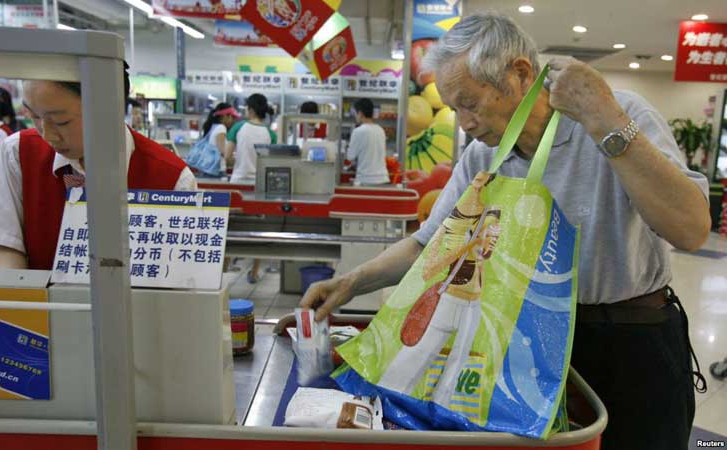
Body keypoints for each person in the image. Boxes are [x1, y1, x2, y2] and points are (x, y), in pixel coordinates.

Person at [301, 13, 710, 450]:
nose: (463, 123)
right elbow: (429, 244)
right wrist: (351, 282)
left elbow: (691, 229)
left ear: (518, 75)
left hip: (631, 341)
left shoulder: (619, 114)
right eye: (454, 108)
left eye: (469, 104)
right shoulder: (484, 157)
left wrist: (604, 119)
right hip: (530, 352)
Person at [0, 66, 197, 270]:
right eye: (34, 116)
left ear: (110, 110)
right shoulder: (19, 153)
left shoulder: (172, 179)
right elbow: (4, 246)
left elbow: (178, 273)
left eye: (61, 121)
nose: (47, 134)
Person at [379, 172, 501, 409]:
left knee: (458, 367)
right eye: (490, 231)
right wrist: (468, 246)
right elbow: (429, 268)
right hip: (448, 299)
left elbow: (485, 265)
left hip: (474, 305)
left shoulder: (488, 229)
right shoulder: (454, 226)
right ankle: (386, 405)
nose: (492, 235)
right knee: (416, 356)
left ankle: (442, 416)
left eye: (495, 230)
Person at [225, 93, 277, 283]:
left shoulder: (238, 127)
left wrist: (238, 160)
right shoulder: (270, 133)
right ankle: (254, 271)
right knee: (258, 230)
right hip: (259, 189)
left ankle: (224, 268)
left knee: (230, 230)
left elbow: (227, 156)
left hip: (237, 184)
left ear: (251, 109)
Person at [346, 98, 389, 185]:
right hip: (383, 179)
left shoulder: (358, 131)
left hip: (366, 180)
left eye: (356, 113)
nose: (355, 116)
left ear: (360, 113)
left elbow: (350, 156)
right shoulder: (380, 130)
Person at [201, 102, 241, 177]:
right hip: (216, 171)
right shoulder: (221, 128)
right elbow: (224, 152)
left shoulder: (214, 127)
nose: (234, 121)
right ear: (225, 116)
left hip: (210, 170)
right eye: (232, 117)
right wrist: (240, 161)